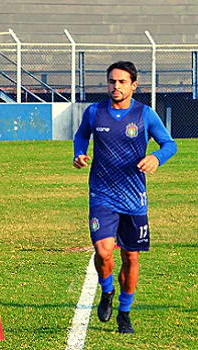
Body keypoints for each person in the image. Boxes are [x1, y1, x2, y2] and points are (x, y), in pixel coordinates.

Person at [73, 61, 177, 333]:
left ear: (133, 85)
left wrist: (156, 157)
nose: (115, 86)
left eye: (121, 82)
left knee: (131, 258)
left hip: (134, 198)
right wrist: (79, 153)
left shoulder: (145, 115)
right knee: (103, 251)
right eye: (111, 81)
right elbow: (82, 135)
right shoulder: (95, 112)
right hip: (102, 194)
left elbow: (170, 144)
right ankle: (107, 291)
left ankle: (125, 312)